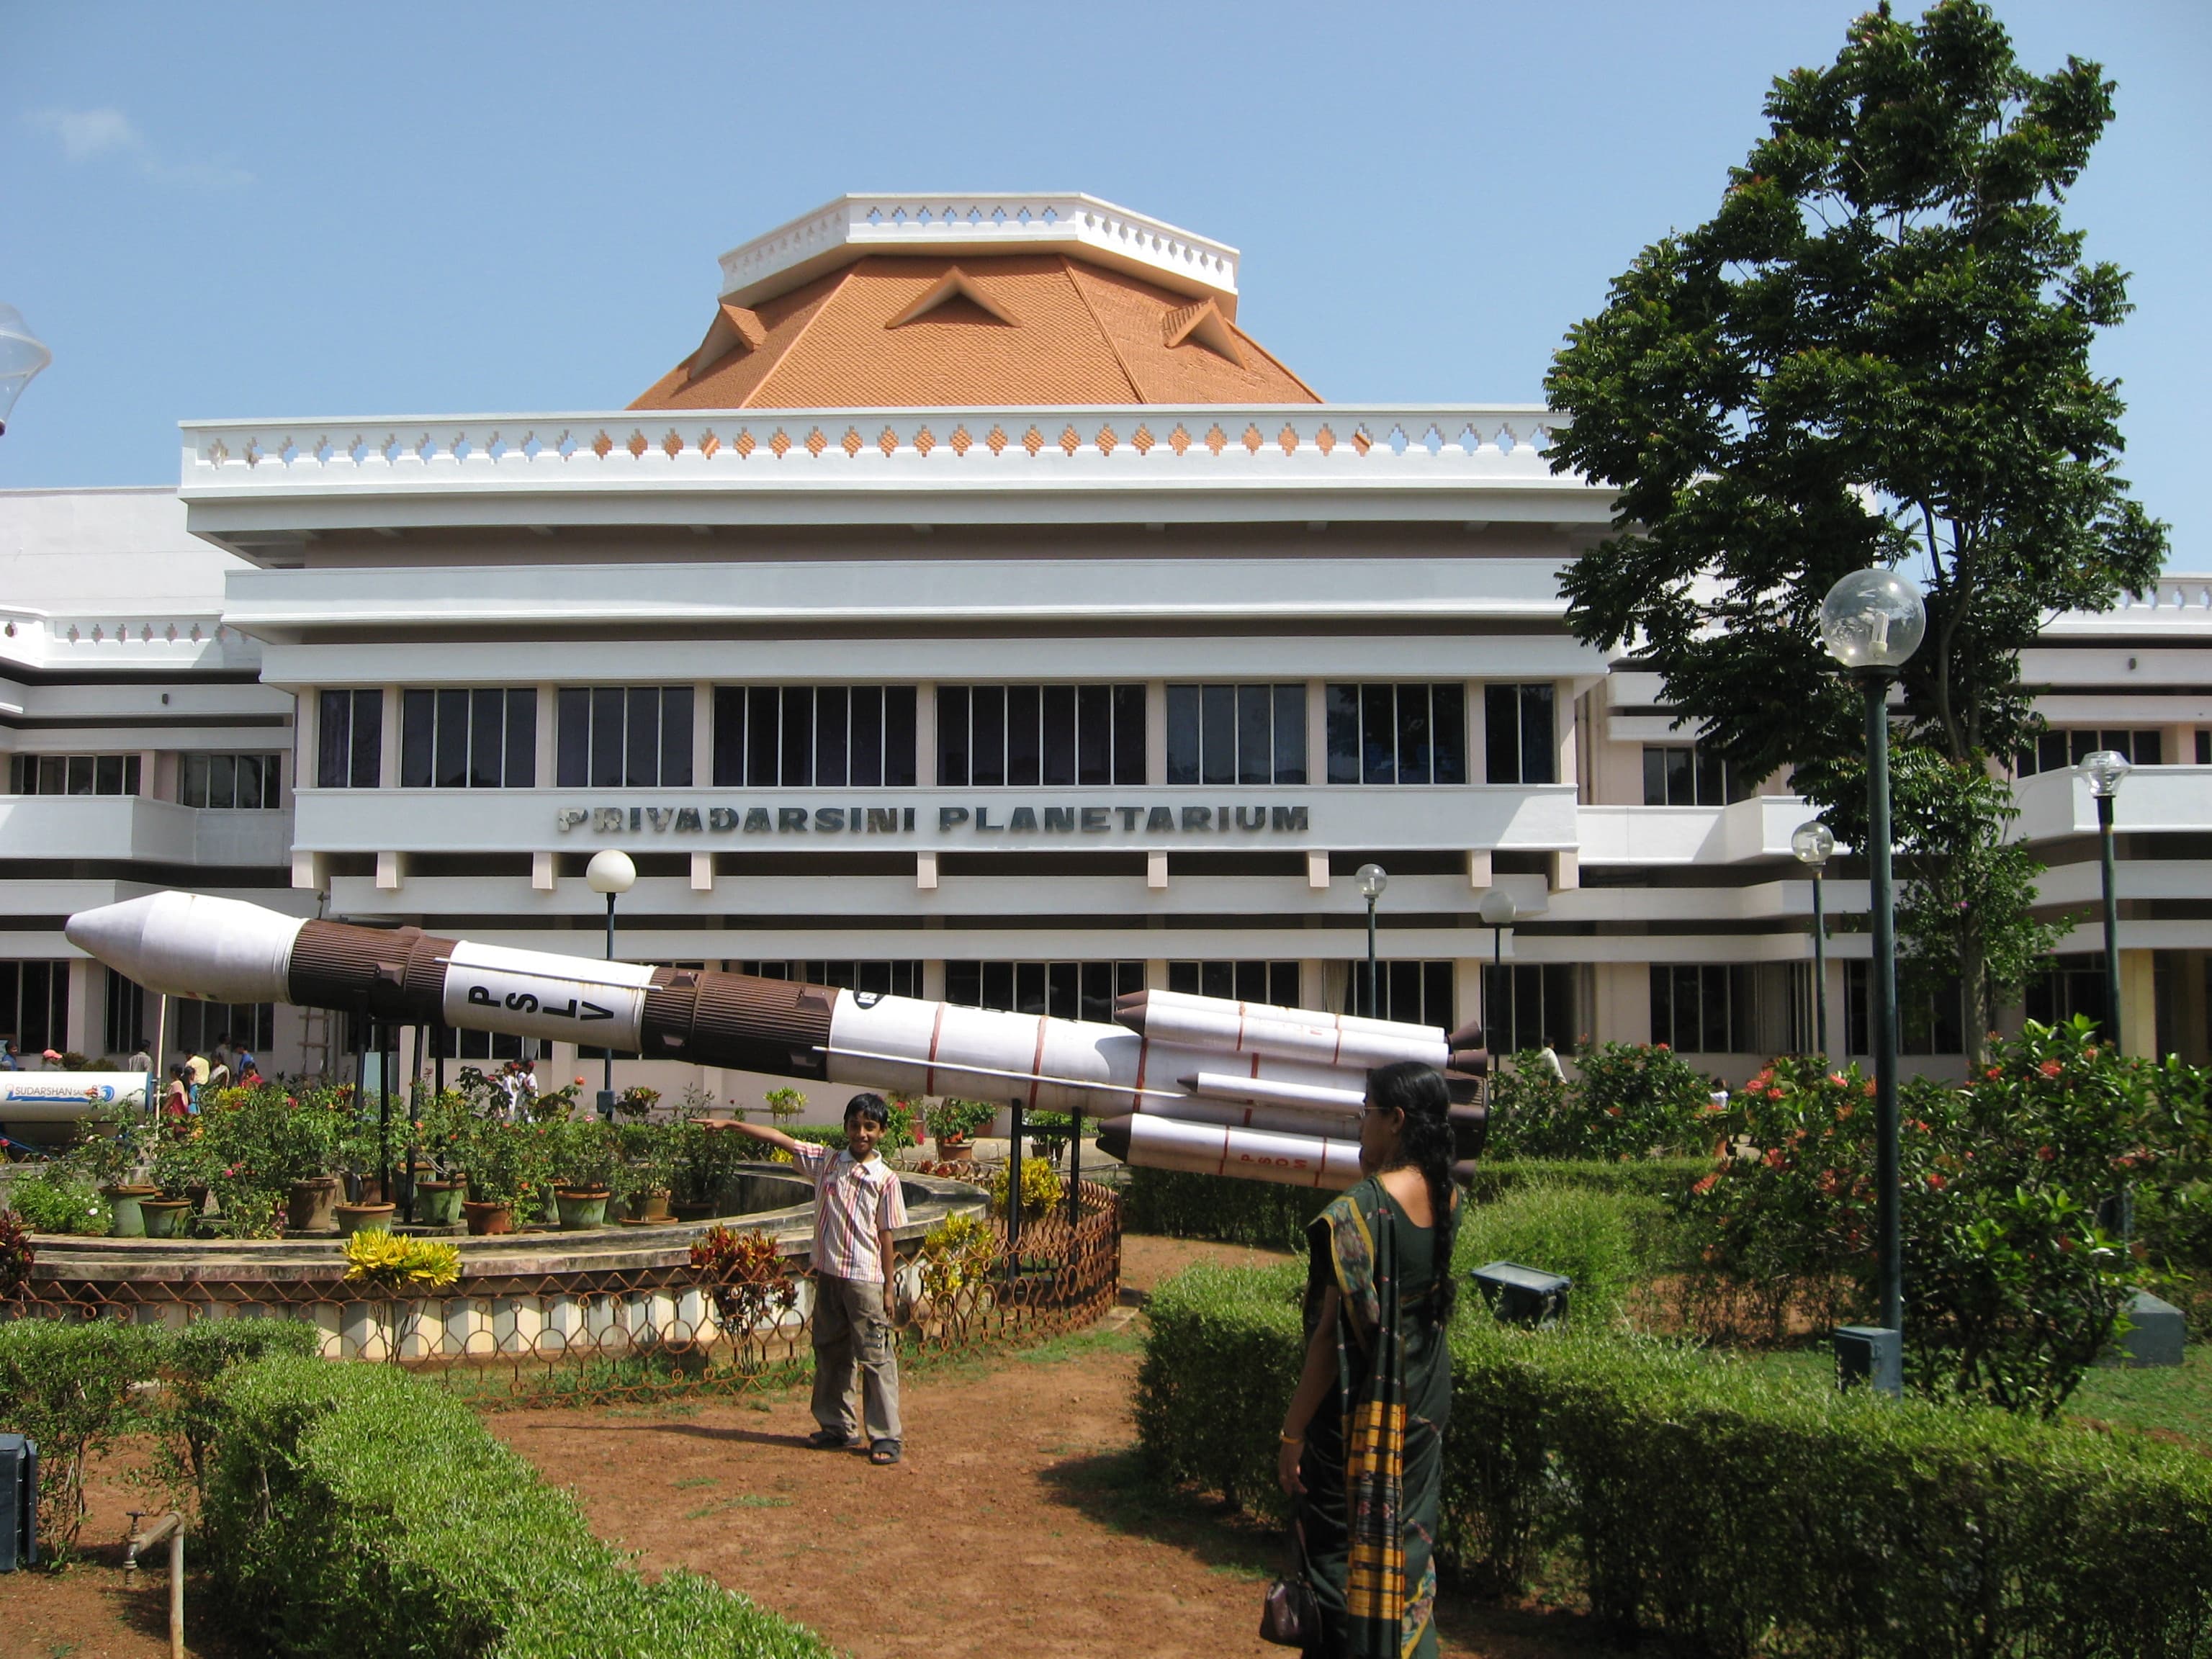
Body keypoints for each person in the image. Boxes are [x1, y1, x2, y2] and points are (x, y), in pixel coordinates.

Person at [1277, 1061, 1461, 1659]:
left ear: (1396, 1120)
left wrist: (1292, 1432)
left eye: (1367, 1112)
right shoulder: (1449, 1195)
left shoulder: (1357, 1214)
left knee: (1340, 1559)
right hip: (1425, 1401)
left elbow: (1330, 1338)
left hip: (1361, 1416)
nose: (1361, 1123)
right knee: (1407, 1550)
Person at [717, 1094, 909, 1466]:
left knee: (875, 1357)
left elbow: (887, 1235)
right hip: (829, 1274)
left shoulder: (885, 1180)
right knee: (831, 1353)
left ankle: (886, 1436)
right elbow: (779, 1139)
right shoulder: (828, 1162)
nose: (861, 1133)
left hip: (864, 1280)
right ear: (845, 1128)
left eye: (870, 1126)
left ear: (882, 1132)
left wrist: (888, 1287)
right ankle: (837, 1426)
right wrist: (731, 1125)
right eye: (855, 1125)